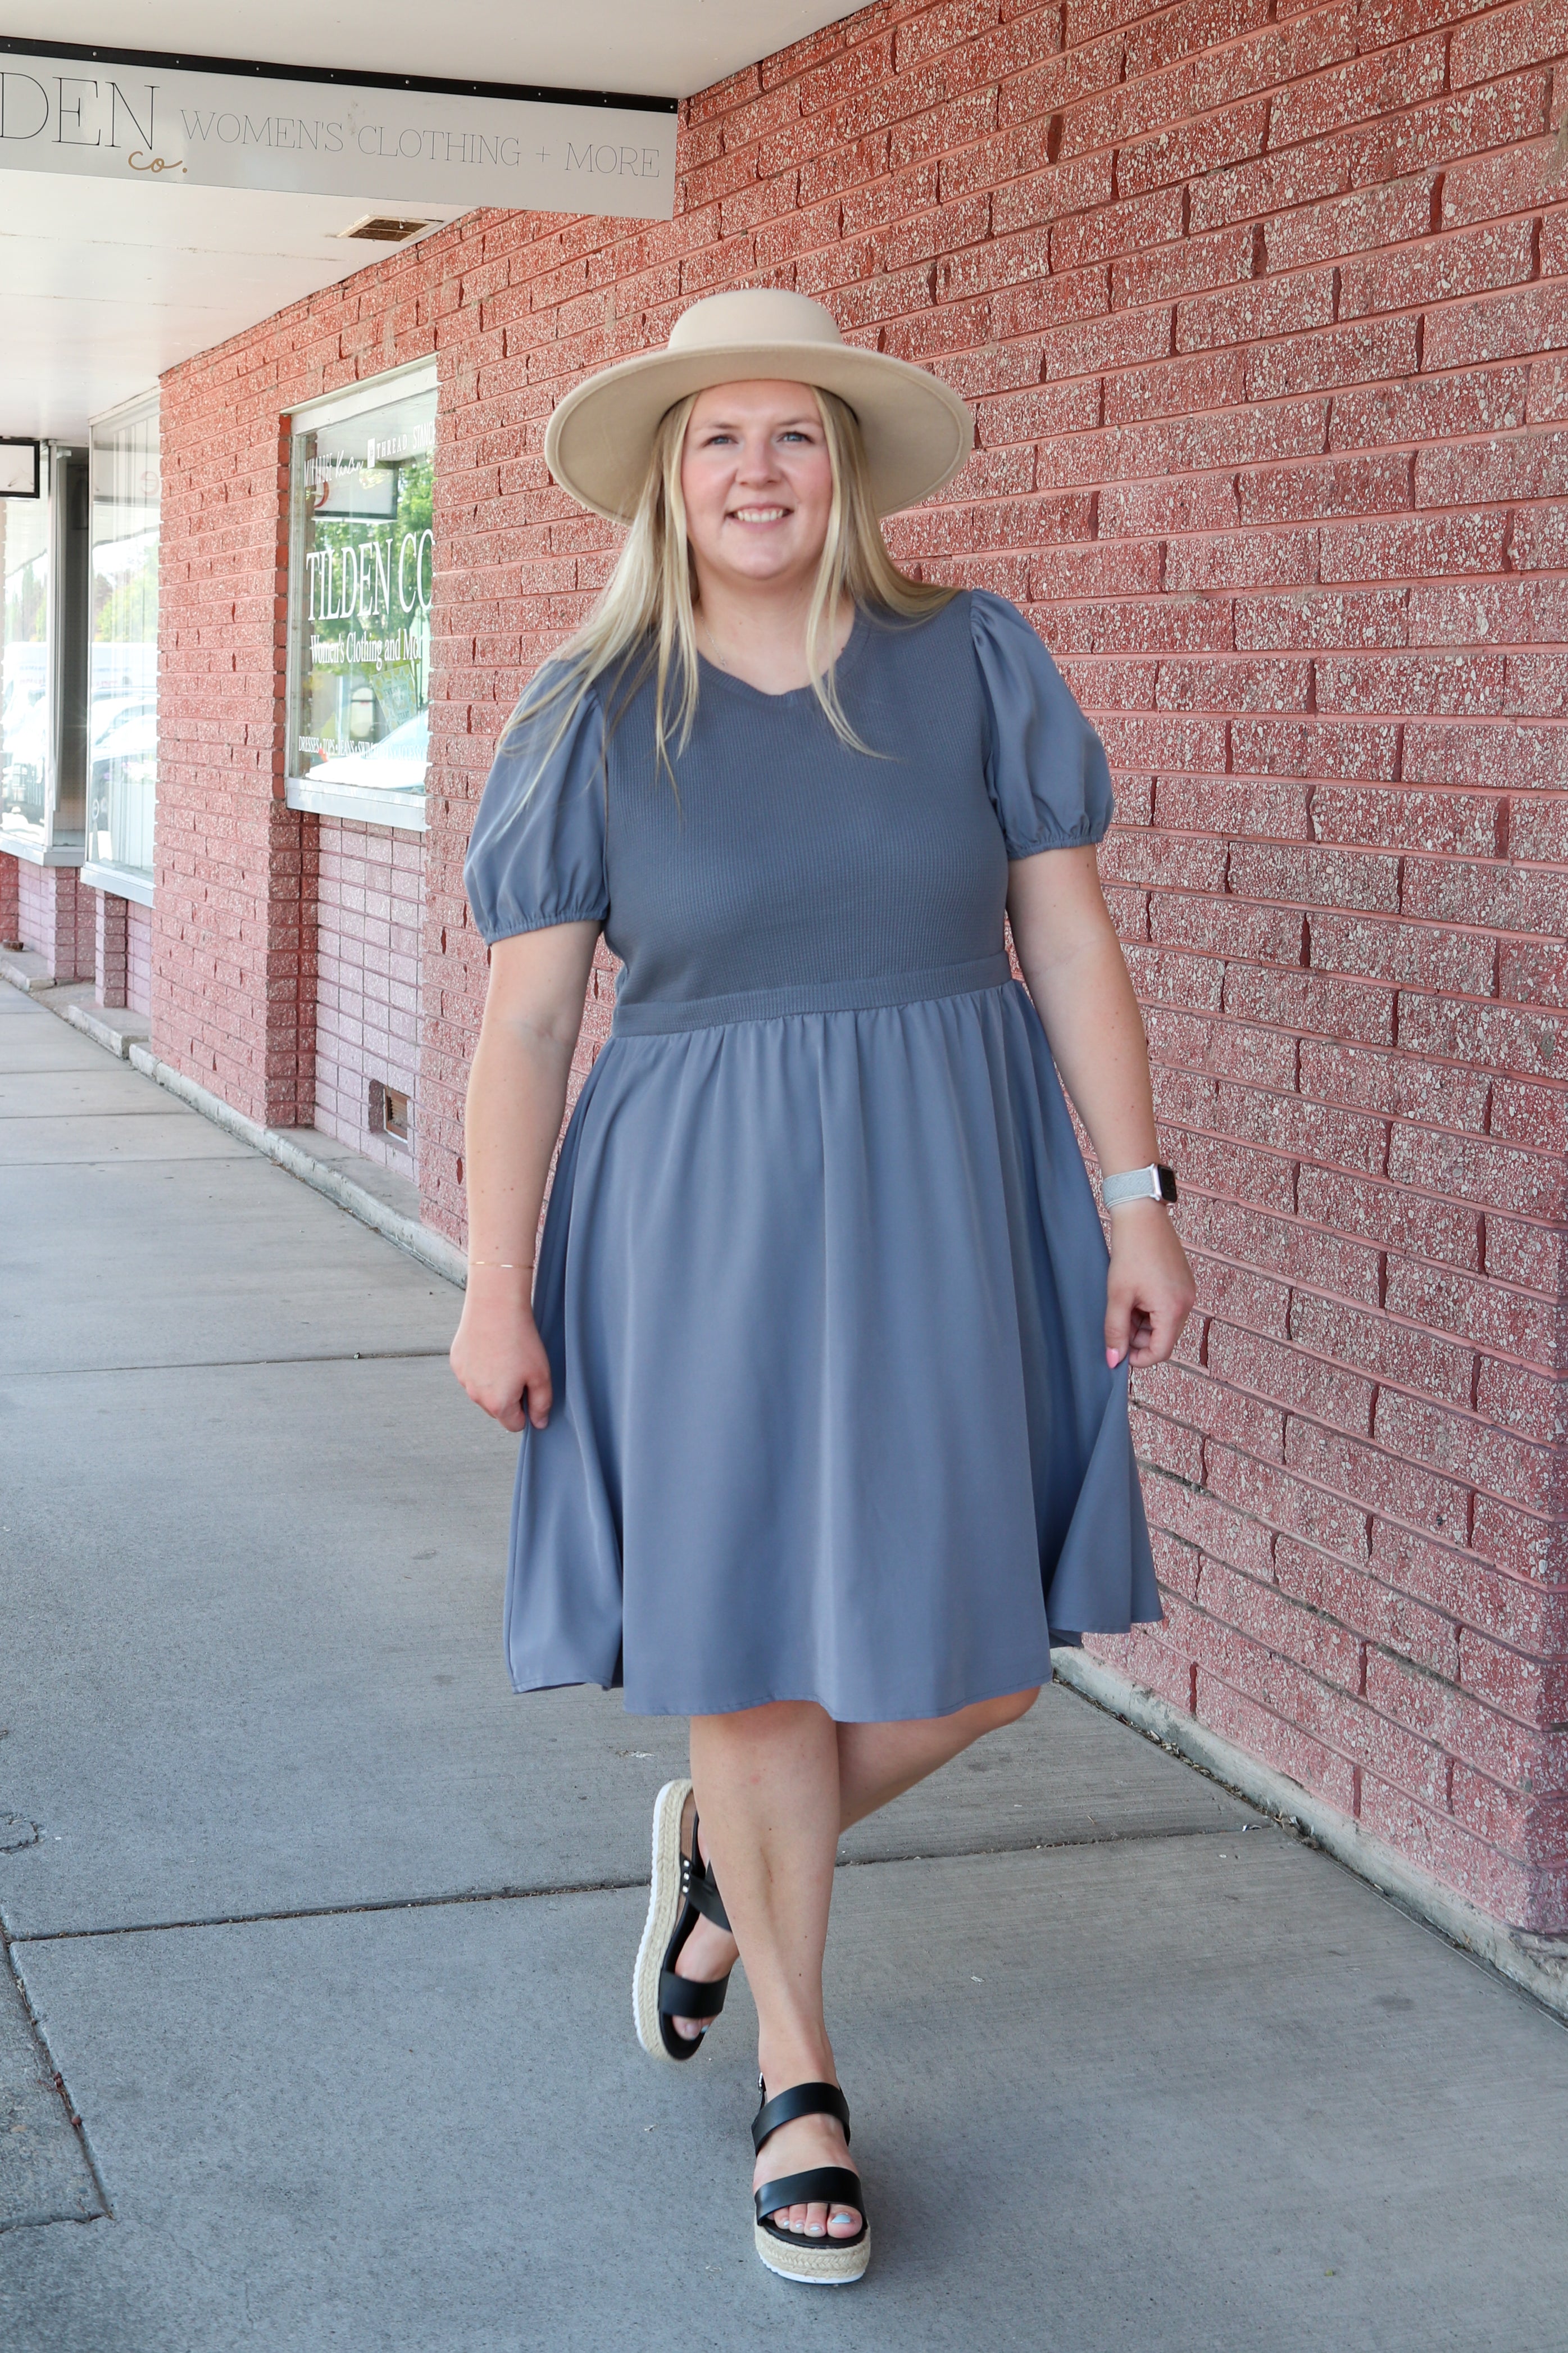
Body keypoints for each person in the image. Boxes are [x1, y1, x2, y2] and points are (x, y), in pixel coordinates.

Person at [451, 288, 1196, 2287]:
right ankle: (797, 2066)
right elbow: (525, 1035)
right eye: (718, 438)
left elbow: (1071, 942)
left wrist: (1137, 1199)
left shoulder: (974, 662)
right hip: (690, 1219)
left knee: (978, 1655)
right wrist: (493, 1278)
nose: (758, 471)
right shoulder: (596, 705)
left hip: (950, 1188)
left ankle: (720, 1857)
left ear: (844, 463)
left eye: (793, 434)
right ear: (667, 481)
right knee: (759, 1654)